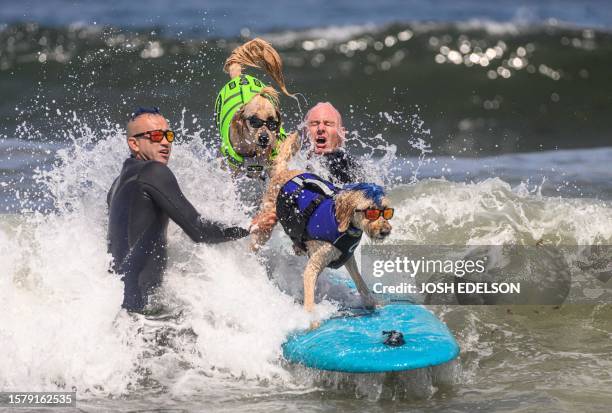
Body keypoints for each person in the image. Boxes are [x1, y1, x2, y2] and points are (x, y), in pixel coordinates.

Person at [107, 107, 276, 312]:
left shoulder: (116, 186)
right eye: (157, 136)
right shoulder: (154, 172)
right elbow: (199, 231)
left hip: (120, 310)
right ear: (134, 143)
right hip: (145, 313)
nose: (165, 142)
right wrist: (249, 227)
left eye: (169, 135)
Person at [303, 102, 363, 184]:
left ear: (342, 135)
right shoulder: (294, 163)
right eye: (314, 124)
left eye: (328, 124)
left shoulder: (352, 168)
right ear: (305, 132)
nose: (320, 128)